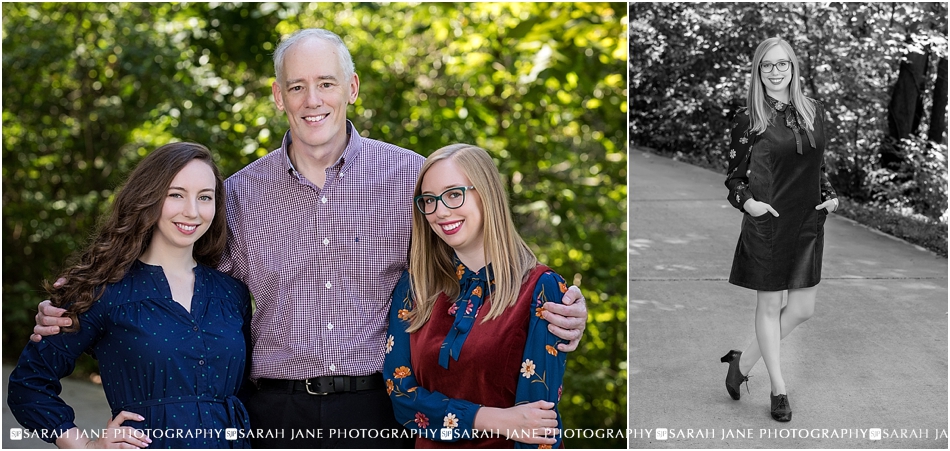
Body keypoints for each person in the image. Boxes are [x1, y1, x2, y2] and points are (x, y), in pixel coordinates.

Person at [32, 28, 588, 448]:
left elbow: (479, 256)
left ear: (351, 87)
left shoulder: (410, 178)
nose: (312, 99)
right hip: (270, 413)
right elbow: (177, 277)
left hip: (377, 409)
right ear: (278, 96)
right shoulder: (238, 194)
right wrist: (79, 302)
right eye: (297, 86)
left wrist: (559, 308)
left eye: (325, 83)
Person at [8, 142, 252, 448]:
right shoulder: (104, 291)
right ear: (149, 197)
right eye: (176, 194)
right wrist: (86, 446)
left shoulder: (232, 293)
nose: (192, 211)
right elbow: (28, 386)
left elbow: (246, 390)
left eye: (205, 197)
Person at [384, 144, 567, 448]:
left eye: (454, 194)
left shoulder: (541, 289)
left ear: (486, 193)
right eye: (429, 200)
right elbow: (402, 396)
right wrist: (485, 418)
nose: (440, 211)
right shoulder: (415, 287)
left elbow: (536, 426)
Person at [720, 37, 838, 422]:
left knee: (802, 309)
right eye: (766, 66)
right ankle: (778, 388)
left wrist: (831, 195)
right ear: (758, 70)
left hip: (807, 221)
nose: (774, 72)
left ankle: (741, 363)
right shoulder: (749, 118)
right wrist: (748, 202)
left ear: (793, 68)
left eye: (781, 64)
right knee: (769, 307)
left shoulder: (813, 110)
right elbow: (734, 178)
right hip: (768, 221)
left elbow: (819, 164)